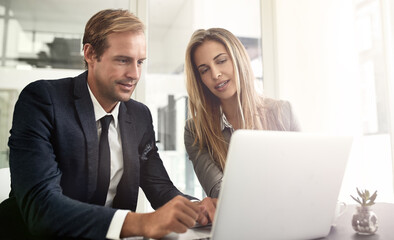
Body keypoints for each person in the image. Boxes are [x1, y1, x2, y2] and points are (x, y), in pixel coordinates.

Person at [0, 9, 216, 240]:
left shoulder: (139, 116)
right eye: (123, 60)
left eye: (140, 62)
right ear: (90, 54)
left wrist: (196, 209)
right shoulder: (43, 100)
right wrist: (142, 222)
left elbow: (160, 186)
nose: (134, 74)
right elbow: (42, 207)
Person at [184, 28, 300, 198]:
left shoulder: (282, 112)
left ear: (238, 59)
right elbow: (222, 194)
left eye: (221, 61)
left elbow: (305, 178)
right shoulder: (196, 131)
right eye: (204, 70)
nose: (215, 74)